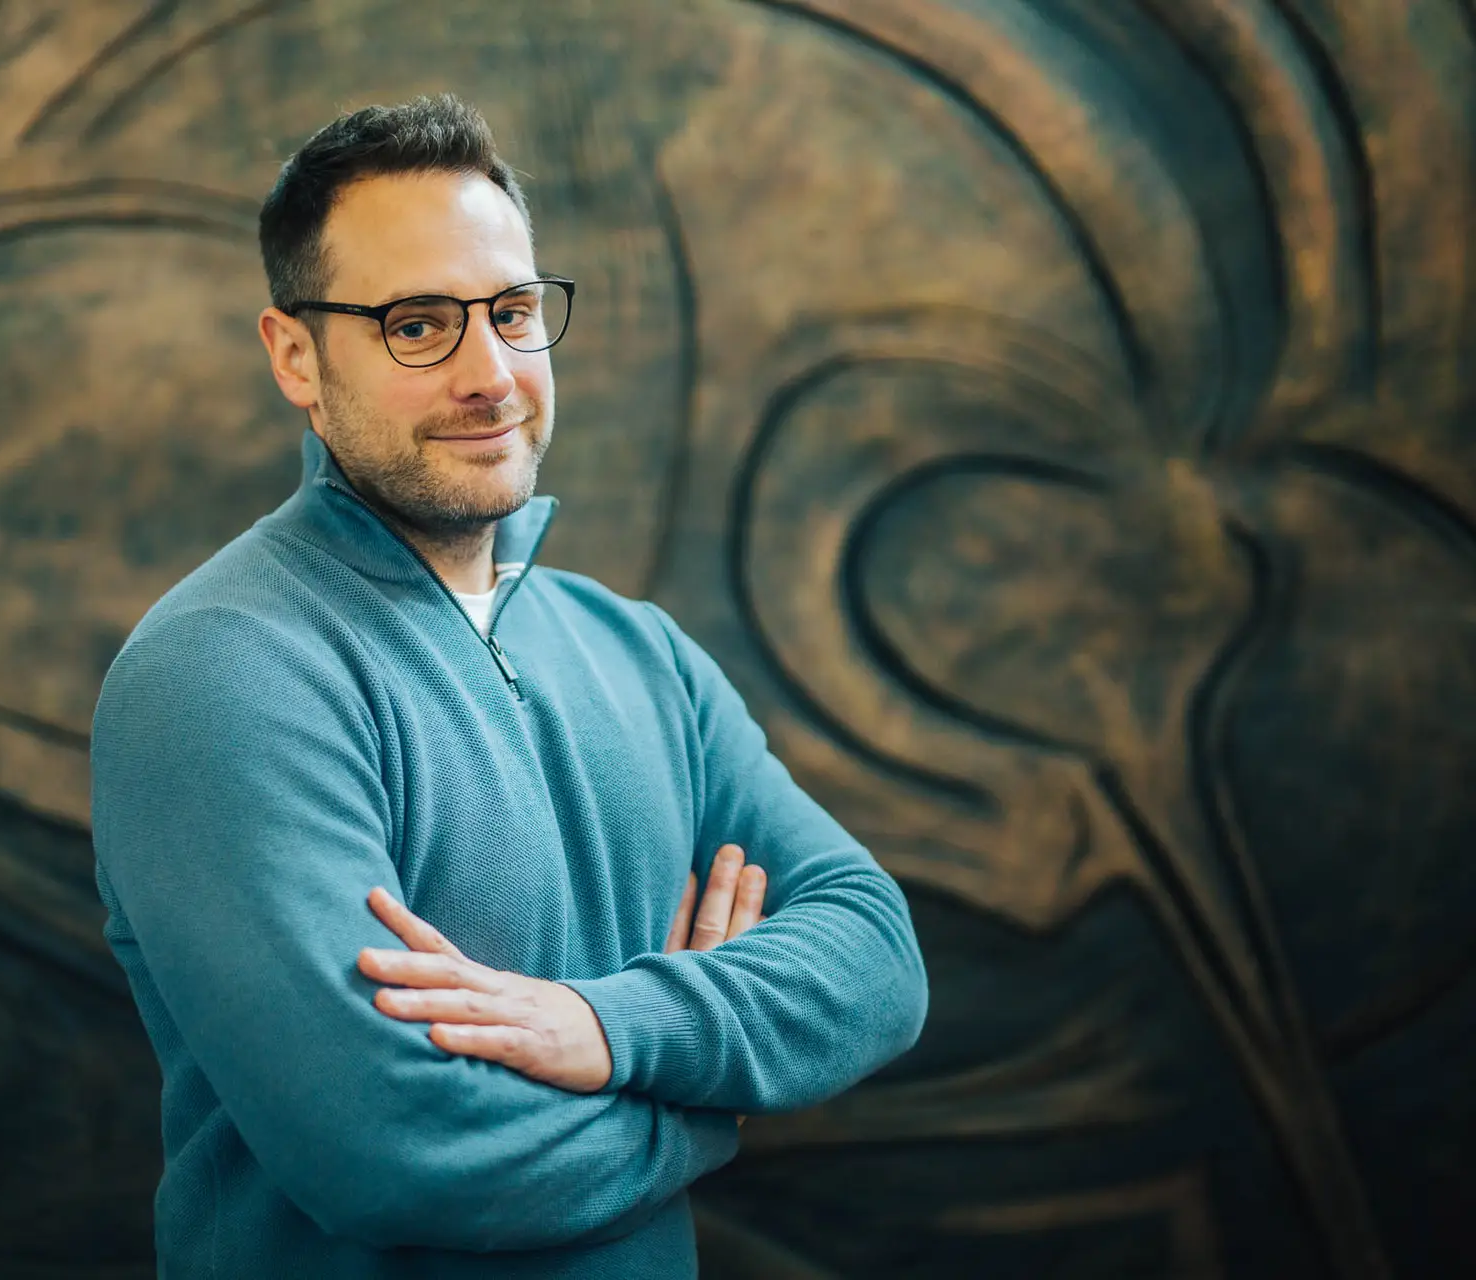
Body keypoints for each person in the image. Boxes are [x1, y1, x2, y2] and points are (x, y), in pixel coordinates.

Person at [89, 94, 928, 1278]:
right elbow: (393, 1148)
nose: (491, 373)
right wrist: (709, 1102)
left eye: (515, 312)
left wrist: (612, 1025)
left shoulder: (643, 654)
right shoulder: (221, 673)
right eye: (418, 324)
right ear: (295, 354)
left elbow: (878, 959)